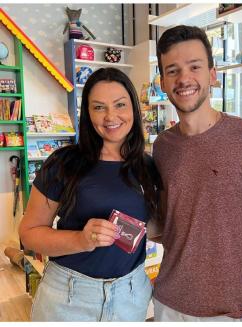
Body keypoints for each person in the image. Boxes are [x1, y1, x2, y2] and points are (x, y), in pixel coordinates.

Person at [152, 25, 242, 322]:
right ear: (162, 82)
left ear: (212, 75)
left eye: (194, 67)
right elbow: (167, 225)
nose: (184, 79)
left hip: (229, 310)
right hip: (167, 303)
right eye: (172, 70)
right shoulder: (162, 146)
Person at [19, 67, 160, 322]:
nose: (110, 116)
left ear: (133, 110)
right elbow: (29, 234)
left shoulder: (147, 166)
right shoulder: (63, 163)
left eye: (120, 105)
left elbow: (154, 229)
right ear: (87, 113)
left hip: (130, 295)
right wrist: (81, 240)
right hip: (69, 297)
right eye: (98, 107)